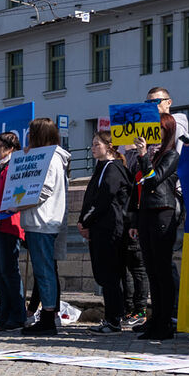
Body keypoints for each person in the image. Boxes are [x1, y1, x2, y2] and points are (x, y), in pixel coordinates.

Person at [130, 113, 182, 341]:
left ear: (167, 131)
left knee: (162, 270)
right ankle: (156, 320)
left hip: (163, 211)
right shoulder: (152, 154)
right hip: (146, 213)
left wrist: (143, 157)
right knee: (152, 270)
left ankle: (165, 322)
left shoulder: (171, 155)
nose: (153, 133)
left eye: (158, 128)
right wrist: (134, 220)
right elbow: (138, 187)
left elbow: (152, 179)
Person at [17, 118, 72, 336]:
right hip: (40, 220)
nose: (28, 136)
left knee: (44, 271)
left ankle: (48, 317)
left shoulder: (51, 159)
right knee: (44, 271)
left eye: (31, 132)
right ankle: (48, 315)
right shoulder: (48, 157)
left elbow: (44, 190)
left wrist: (20, 203)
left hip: (42, 220)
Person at [78, 130, 132, 334]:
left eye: (96, 145)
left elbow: (104, 199)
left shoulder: (113, 168)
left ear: (109, 147)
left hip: (110, 228)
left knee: (110, 275)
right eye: (92, 145)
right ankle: (113, 317)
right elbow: (91, 197)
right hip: (99, 227)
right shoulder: (101, 168)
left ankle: (114, 318)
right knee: (104, 274)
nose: (92, 148)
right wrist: (84, 221)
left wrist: (86, 220)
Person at [0, 132, 27, 330]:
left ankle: (17, 313)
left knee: (9, 271)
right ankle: (2, 313)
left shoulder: (15, 165)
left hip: (9, 223)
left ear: (10, 148)